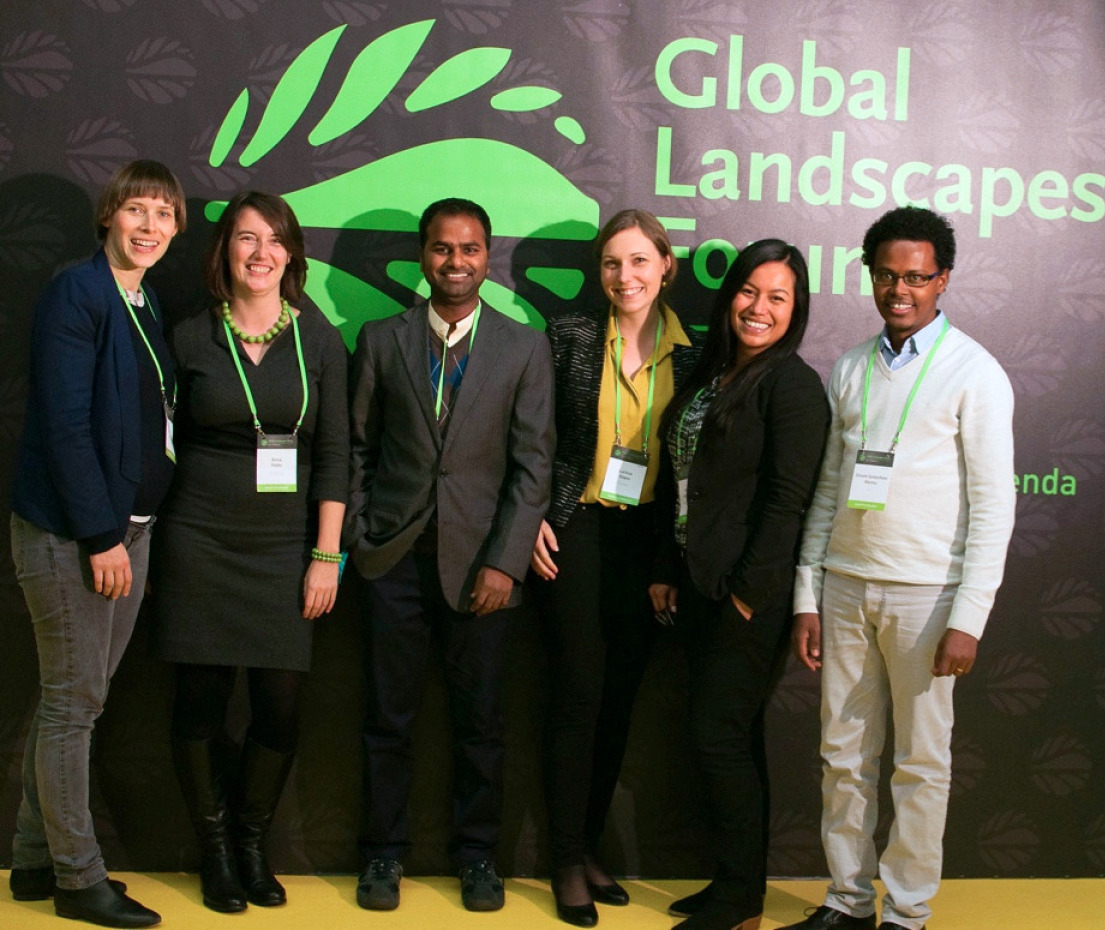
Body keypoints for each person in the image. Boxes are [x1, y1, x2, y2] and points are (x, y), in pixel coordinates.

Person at [779, 207, 1015, 930]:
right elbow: (825, 491)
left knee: (920, 765)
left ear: (943, 279)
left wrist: (968, 619)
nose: (900, 290)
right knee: (842, 757)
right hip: (845, 588)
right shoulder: (850, 366)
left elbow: (993, 506)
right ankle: (847, 903)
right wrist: (807, 594)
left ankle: (907, 914)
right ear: (871, 275)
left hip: (929, 599)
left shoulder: (976, 372)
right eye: (887, 275)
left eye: (917, 277)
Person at [348, 197, 554, 914]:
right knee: (387, 719)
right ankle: (381, 854)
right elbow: (357, 448)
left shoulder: (524, 347)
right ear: (423, 255)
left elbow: (535, 468)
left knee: (481, 725)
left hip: (483, 569)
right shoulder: (381, 339)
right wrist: (361, 538)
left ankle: (478, 859)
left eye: (468, 250)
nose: (455, 262)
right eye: (442, 249)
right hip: (393, 562)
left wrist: (506, 562)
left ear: (486, 257)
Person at [149, 191, 348, 913]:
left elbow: (334, 455)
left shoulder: (320, 340)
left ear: (292, 253)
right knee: (199, 706)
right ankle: (216, 854)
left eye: (274, 239)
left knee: (279, 710)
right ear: (224, 251)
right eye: (245, 238)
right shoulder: (191, 335)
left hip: (285, 548)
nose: (260, 252)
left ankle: (253, 842)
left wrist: (327, 557)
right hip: (198, 539)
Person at [8, 159, 186, 928]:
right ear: (108, 217)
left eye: (162, 216)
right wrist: (101, 535)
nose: (148, 228)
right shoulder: (77, 292)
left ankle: (31, 856)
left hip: (128, 533)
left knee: (74, 702)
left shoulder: (142, 301)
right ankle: (80, 879)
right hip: (76, 536)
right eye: (136, 211)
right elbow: (66, 427)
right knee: (73, 706)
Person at [648, 240, 829, 930]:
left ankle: (737, 899)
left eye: (778, 297)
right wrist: (669, 568)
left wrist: (750, 596)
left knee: (718, 736)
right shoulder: (712, 373)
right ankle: (737, 883)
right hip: (698, 582)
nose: (759, 308)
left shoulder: (793, 386)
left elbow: (789, 502)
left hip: (749, 596)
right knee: (734, 738)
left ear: (796, 309)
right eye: (750, 292)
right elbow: (681, 484)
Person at [531, 209, 701, 927]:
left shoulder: (696, 356)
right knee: (576, 694)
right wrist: (532, 514)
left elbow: (693, 470)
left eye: (638, 262)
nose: (624, 277)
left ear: (665, 265)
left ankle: (589, 845)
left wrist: (669, 558)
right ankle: (564, 857)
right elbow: (535, 432)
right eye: (611, 263)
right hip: (577, 529)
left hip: (649, 547)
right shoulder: (568, 336)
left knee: (617, 704)